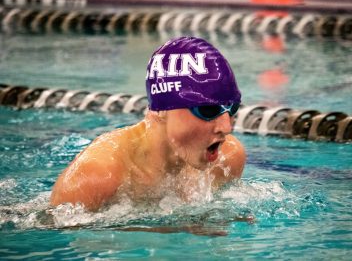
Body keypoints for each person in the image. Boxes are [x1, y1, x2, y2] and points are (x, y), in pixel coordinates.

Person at [50, 37, 246, 211]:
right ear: (161, 110)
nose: (226, 127)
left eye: (232, 108)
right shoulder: (98, 175)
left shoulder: (228, 158)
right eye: (207, 110)